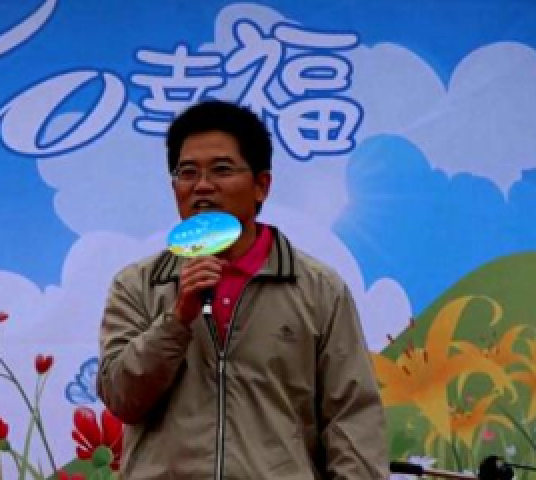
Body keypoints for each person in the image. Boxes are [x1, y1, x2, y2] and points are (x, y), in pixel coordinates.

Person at [97, 100, 389, 479]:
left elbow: (353, 417)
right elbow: (121, 399)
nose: (202, 186)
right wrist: (176, 320)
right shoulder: (138, 284)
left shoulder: (318, 289)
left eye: (221, 170)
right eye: (187, 173)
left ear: (261, 186)